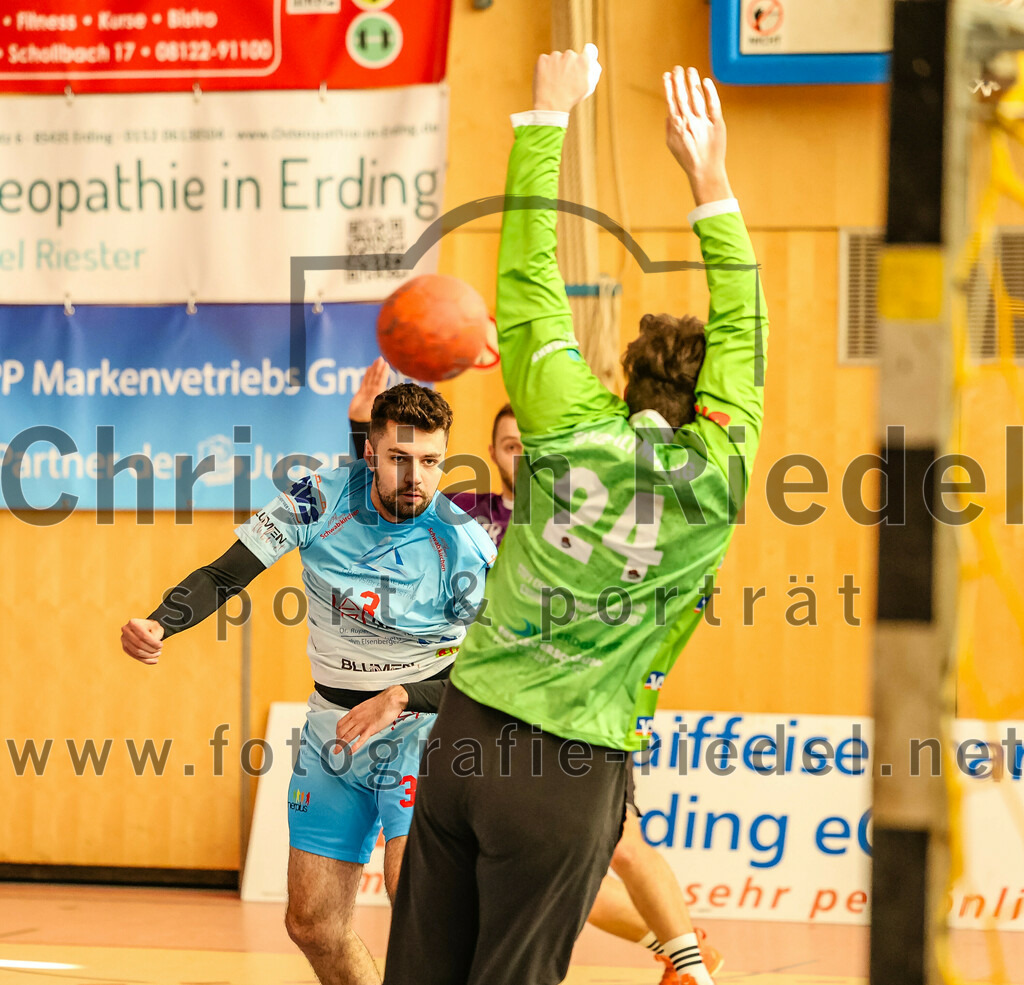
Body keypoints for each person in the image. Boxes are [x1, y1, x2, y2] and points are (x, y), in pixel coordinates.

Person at [381, 51, 768, 985]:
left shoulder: (565, 420)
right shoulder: (719, 472)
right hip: (572, 765)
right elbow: (747, 327)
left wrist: (545, 116)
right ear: (714, 398)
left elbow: (527, 282)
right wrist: (711, 181)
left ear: (627, 382)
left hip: (466, 735)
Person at [120, 383, 496, 985]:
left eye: (431, 461)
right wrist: (160, 622)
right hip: (331, 729)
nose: (417, 478)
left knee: (417, 903)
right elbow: (224, 574)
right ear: (369, 454)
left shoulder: (462, 543)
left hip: (424, 725)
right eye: (400, 459)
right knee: (313, 925)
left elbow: (495, 669)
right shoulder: (316, 498)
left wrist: (403, 696)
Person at [348, 380, 723, 985]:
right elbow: (389, 505)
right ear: (493, 453)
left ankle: (689, 961)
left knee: (617, 841)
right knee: (518, 866)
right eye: (508, 445)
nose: (520, 455)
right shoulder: (469, 514)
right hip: (483, 705)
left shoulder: (586, 514)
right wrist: (360, 434)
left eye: (529, 444)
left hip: (575, 712)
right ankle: (680, 951)